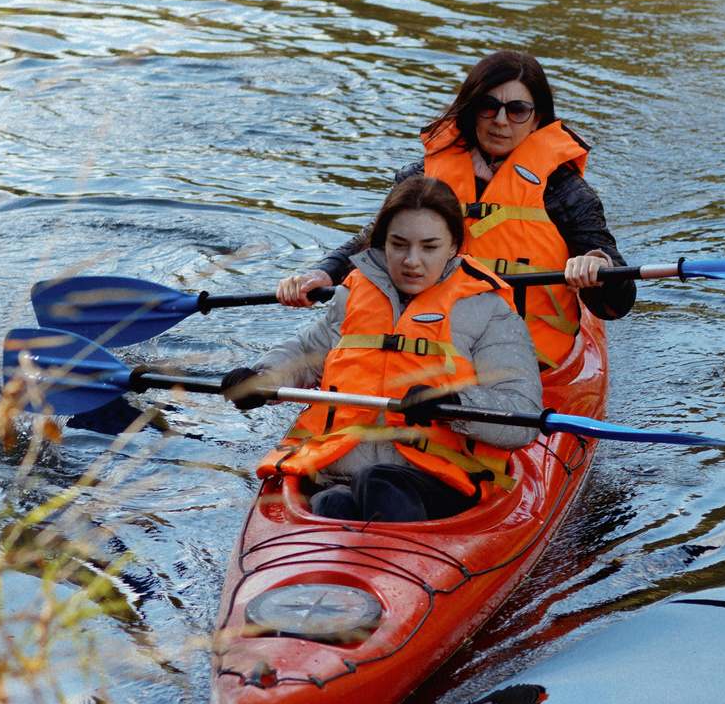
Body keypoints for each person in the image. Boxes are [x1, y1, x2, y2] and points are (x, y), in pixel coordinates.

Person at [275, 51, 633, 367]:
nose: (500, 120)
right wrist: (324, 273)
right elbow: (374, 243)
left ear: (537, 119)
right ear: (472, 108)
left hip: (527, 362)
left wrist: (599, 266)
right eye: (488, 106)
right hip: (429, 350)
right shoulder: (423, 179)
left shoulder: (565, 192)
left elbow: (617, 305)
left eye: (517, 110)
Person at [223, 176, 542, 524]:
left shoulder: (490, 311)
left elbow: (522, 419)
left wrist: (455, 403)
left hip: (439, 482)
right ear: (383, 243)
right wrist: (262, 378)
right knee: (332, 501)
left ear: (453, 245)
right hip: (339, 472)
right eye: (399, 244)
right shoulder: (352, 296)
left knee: (378, 483)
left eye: (429, 247)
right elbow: (307, 352)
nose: (412, 261)